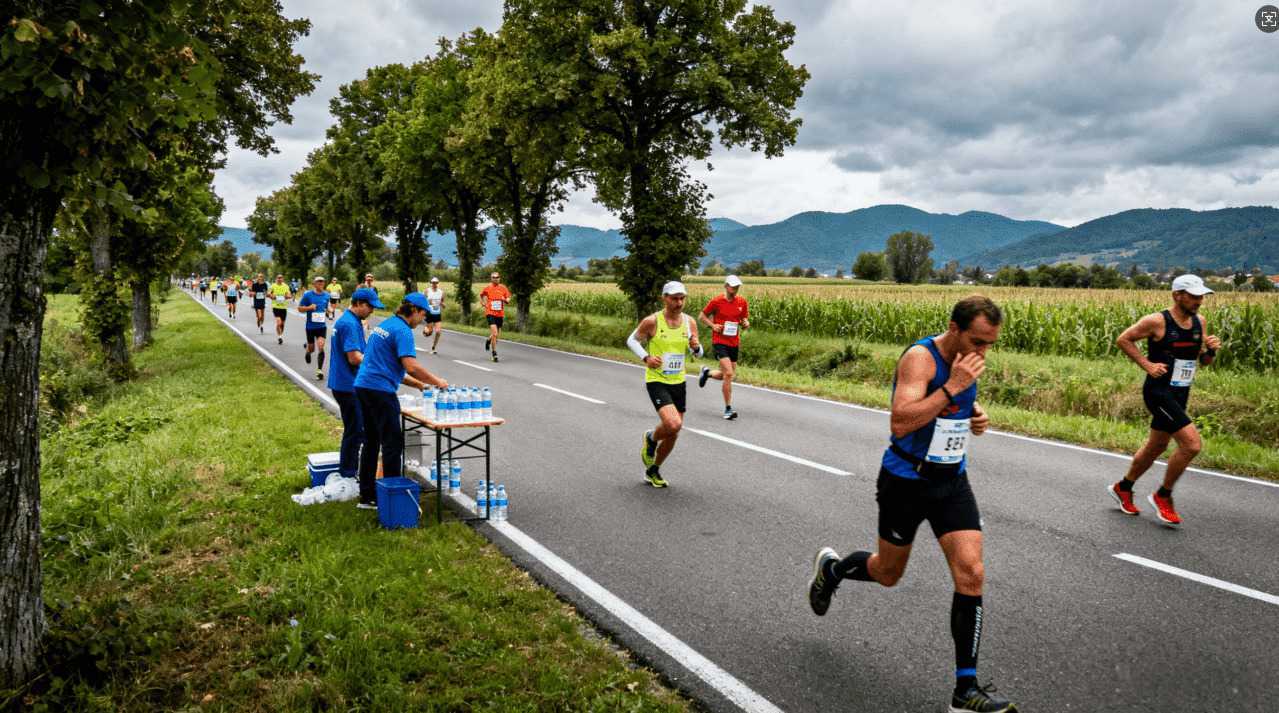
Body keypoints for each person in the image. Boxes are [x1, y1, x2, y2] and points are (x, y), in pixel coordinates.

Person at [806, 295, 1016, 713]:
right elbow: (902, 420)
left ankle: (965, 690)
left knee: (971, 571)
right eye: (977, 341)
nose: (983, 352)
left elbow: (953, 405)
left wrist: (974, 413)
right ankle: (833, 569)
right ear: (954, 329)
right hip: (906, 482)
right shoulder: (921, 359)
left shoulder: (968, 359)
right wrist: (953, 387)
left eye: (990, 344)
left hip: (951, 480)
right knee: (887, 573)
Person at [1109, 274, 1221, 526]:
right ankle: (1163, 495)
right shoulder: (1157, 321)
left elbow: (1202, 362)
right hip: (1158, 393)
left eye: (1201, 296)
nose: (1199, 301)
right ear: (1177, 295)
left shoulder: (1199, 322)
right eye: (1193, 296)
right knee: (1192, 445)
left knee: (1156, 446)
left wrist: (1211, 350)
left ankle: (1123, 487)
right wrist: (1147, 364)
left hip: (1181, 391)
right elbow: (1123, 339)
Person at [353, 292, 449, 509]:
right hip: (380, 391)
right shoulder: (403, 331)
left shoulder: (386, 325)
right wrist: (438, 382)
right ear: (414, 310)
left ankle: (367, 496)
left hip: (364, 386)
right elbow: (411, 366)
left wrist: (421, 385)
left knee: (371, 442)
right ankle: (392, 498)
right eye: (423, 314)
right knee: (392, 444)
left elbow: (387, 366)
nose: (423, 319)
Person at [627, 281, 704, 488]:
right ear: (665, 298)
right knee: (673, 424)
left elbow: (698, 353)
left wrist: (696, 348)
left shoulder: (689, 323)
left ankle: (653, 470)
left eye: (682, 298)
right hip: (657, 379)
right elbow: (632, 340)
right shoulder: (652, 321)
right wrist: (646, 358)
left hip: (678, 380)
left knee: (674, 432)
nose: (679, 303)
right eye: (674, 298)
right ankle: (651, 438)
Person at [328, 287, 383, 486]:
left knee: (354, 428)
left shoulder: (350, 320)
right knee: (356, 430)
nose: (372, 311)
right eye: (370, 307)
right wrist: (376, 363)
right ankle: (348, 474)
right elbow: (353, 357)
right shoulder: (350, 324)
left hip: (344, 383)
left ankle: (348, 471)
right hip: (347, 385)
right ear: (359, 304)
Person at [697, 274, 750, 420]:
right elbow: (701, 316)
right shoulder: (717, 301)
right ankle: (728, 409)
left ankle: (706, 373)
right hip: (719, 342)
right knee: (728, 374)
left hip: (734, 343)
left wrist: (746, 323)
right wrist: (713, 325)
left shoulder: (742, 302)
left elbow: (744, 319)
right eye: (732, 286)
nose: (735, 289)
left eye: (737, 286)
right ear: (726, 286)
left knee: (728, 373)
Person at [298, 276, 331, 381]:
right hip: (310, 327)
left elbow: (326, 307)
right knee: (312, 348)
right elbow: (299, 308)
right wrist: (309, 308)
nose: (321, 284)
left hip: (321, 327)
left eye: (322, 282)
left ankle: (319, 371)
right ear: (314, 284)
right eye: (319, 282)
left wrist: (328, 310)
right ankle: (308, 351)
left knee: (321, 346)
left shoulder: (327, 295)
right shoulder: (308, 295)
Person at [479, 271, 510, 362]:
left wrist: (505, 299)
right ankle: (494, 353)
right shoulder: (488, 288)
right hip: (490, 312)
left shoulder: (503, 288)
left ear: (499, 278)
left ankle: (489, 340)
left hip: (500, 314)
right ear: (491, 278)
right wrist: (483, 303)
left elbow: (508, 298)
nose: (495, 279)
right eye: (493, 277)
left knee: (496, 336)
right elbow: (481, 295)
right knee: (495, 334)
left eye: (497, 277)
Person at [422, 276, 445, 353]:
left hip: (437, 314)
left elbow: (442, 302)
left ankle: (433, 347)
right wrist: (428, 303)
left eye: (435, 283)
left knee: (438, 332)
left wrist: (442, 304)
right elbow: (422, 301)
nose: (434, 284)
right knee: (428, 332)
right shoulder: (427, 291)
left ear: (437, 283)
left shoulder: (441, 292)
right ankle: (426, 330)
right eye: (433, 283)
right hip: (429, 313)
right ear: (430, 283)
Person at [269, 274, 292, 345]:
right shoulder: (273, 286)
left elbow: (289, 295)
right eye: (278, 278)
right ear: (276, 279)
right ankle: (280, 337)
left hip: (283, 308)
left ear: (283, 279)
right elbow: (268, 293)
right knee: (279, 322)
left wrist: (287, 296)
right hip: (275, 306)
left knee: (282, 324)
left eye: (281, 278)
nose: (279, 279)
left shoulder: (286, 286)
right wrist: (271, 296)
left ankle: (280, 334)